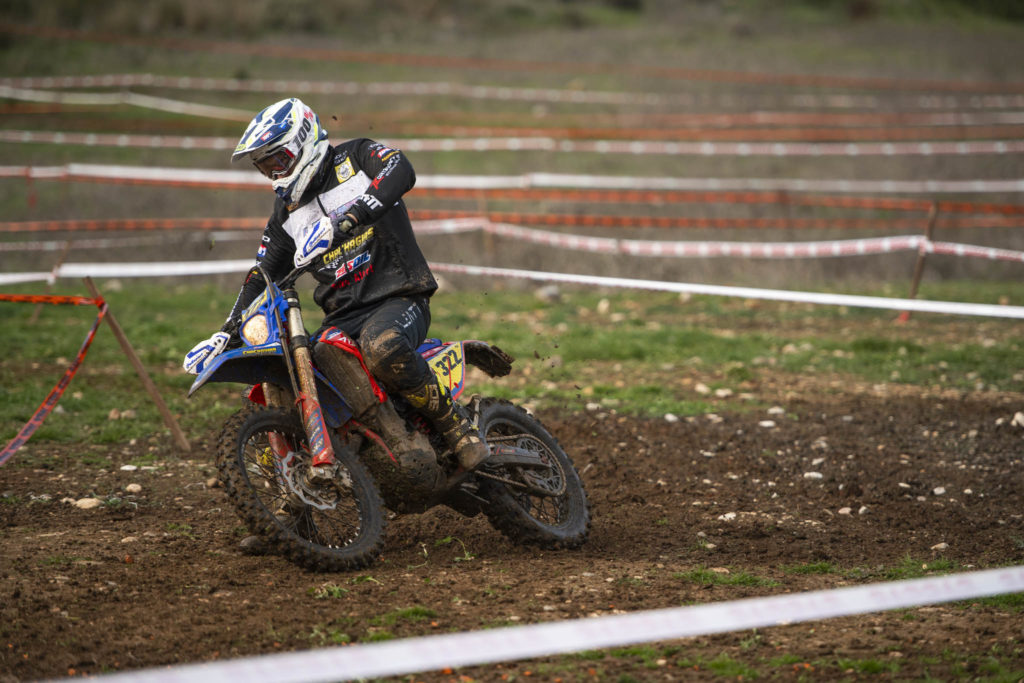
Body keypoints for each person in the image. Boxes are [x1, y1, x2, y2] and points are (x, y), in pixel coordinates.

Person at [183, 97, 487, 478]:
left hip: (398, 296)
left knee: (382, 346)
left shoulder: (355, 158)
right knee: (301, 369)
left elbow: (401, 169)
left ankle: (457, 426)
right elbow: (262, 274)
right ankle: (316, 483)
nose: (274, 173)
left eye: (278, 160)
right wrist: (226, 331)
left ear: (303, 142)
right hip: (342, 318)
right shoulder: (286, 215)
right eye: (265, 167)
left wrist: (352, 217)